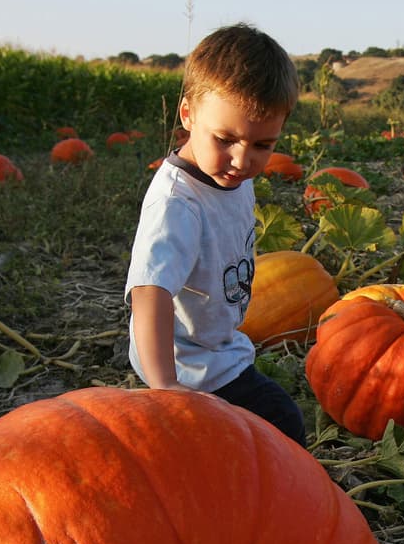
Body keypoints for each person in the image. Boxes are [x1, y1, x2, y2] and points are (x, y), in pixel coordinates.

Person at [125, 24, 306, 447]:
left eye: (263, 145)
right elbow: (149, 292)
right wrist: (165, 387)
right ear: (187, 114)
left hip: (219, 349)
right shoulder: (177, 203)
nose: (242, 160)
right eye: (225, 139)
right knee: (283, 426)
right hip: (190, 368)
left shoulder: (229, 176)